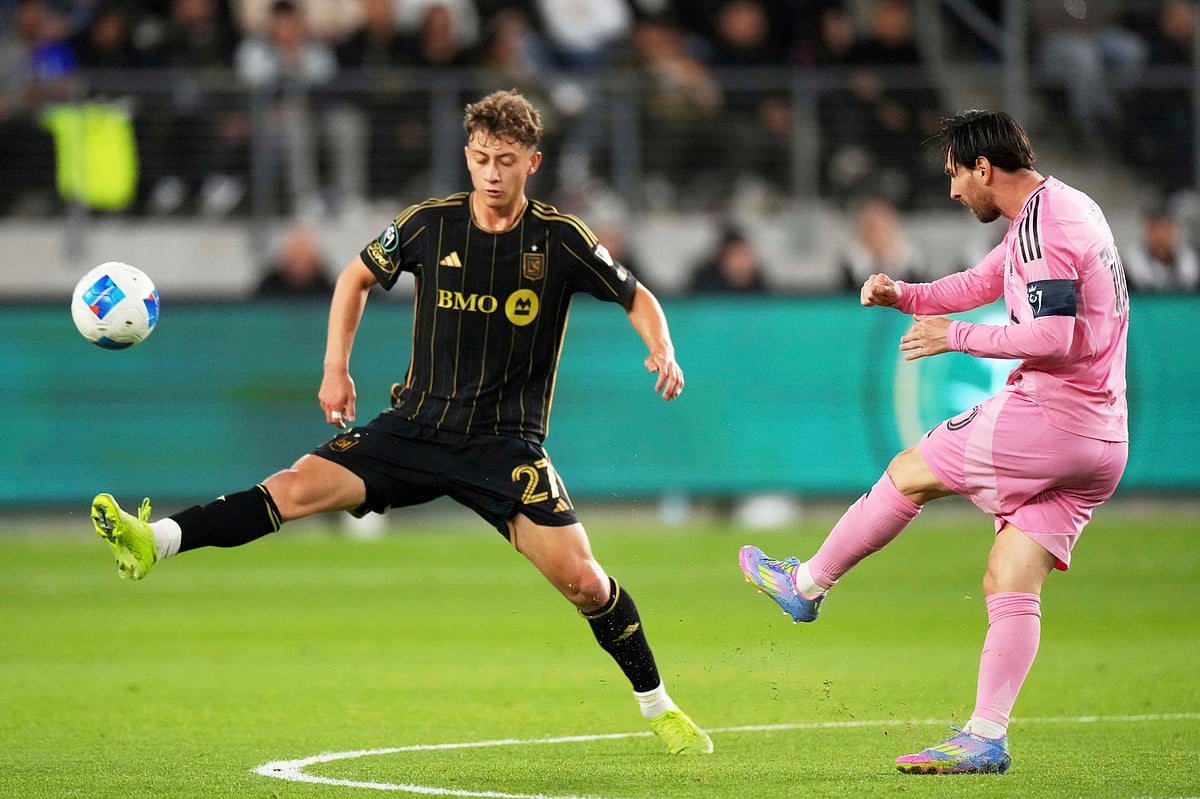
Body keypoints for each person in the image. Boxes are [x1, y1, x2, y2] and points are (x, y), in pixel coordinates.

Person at [91, 89, 713, 756]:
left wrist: (662, 346)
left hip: (504, 446)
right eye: (480, 158)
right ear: (466, 157)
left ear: (532, 162)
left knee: (586, 582)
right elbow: (353, 279)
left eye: (506, 159)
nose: (492, 172)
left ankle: (659, 705)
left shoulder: (560, 239)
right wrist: (337, 368)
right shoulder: (427, 225)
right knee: (292, 487)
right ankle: (153, 539)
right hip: (415, 425)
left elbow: (636, 295)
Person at [739, 110, 1129, 774]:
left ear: (985, 168)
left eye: (955, 175)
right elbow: (982, 283)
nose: (952, 191)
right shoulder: (1060, 209)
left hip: (1050, 419)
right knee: (1010, 574)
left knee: (910, 470)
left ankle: (807, 583)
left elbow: (1054, 336)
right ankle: (985, 734)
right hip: (1102, 440)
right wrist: (906, 295)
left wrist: (956, 336)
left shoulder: (1046, 228)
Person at [1123, 201, 1200, 293]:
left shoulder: (1190, 262)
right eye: (1155, 229)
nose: (1161, 235)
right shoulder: (1131, 266)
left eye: (1166, 228)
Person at [254, 221, 335, 297]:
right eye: (295, 258)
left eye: (304, 258)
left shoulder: (326, 288)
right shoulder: (269, 286)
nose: (300, 264)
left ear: (314, 259)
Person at [686, 226, 770, 294]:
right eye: (738, 255)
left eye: (747, 254)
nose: (745, 261)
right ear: (723, 259)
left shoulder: (760, 283)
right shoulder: (705, 282)